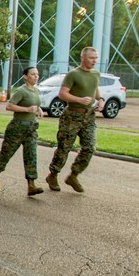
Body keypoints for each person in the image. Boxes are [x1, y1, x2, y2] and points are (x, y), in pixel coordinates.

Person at [47, 46, 103, 192]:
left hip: (89, 116)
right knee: (64, 147)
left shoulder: (96, 74)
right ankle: (53, 174)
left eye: (96, 58)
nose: (94, 61)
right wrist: (79, 99)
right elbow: (62, 94)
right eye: (91, 58)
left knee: (90, 147)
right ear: (82, 58)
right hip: (72, 116)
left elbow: (95, 88)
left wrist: (101, 99)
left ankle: (73, 175)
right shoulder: (73, 74)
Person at [0, 65, 45, 196]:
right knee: (7, 153)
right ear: (25, 77)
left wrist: (39, 109)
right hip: (17, 128)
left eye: (37, 74)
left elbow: (35, 105)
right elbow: (9, 106)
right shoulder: (21, 91)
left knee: (31, 155)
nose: (36, 76)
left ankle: (31, 185)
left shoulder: (36, 91)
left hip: (31, 128)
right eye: (33, 74)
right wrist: (26, 110)